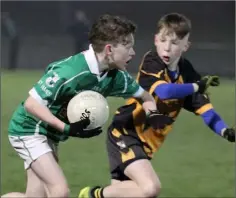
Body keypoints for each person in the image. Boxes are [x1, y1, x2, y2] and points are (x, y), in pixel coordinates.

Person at [1, 14, 171, 198]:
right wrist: (67, 128)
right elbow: (31, 104)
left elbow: (145, 97)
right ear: (109, 50)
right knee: (59, 191)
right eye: (128, 46)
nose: (133, 53)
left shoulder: (116, 77)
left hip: (49, 133)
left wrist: (153, 114)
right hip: (29, 130)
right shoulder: (70, 71)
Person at [79, 13, 235, 198]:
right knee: (151, 188)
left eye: (175, 43)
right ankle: (93, 194)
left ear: (186, 46)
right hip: (125, 133)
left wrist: (225, 131)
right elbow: (164, 92)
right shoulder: (152, 61)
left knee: (128, 194)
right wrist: (196, 86)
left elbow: (206, 111)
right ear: (156, 40)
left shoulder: (187, 73)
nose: (167, 48)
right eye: (163, 40)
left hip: (147, 145)